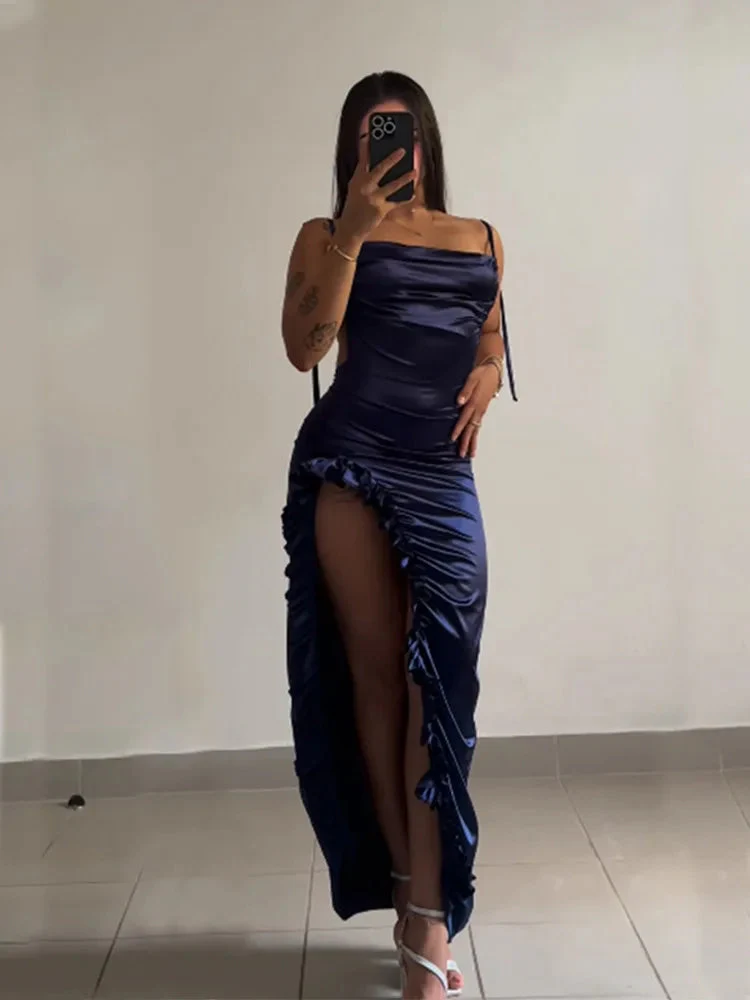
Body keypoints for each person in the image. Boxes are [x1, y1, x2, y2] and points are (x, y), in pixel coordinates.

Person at [281, 71, 516, 1000]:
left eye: (403, 133)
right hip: (352, 462)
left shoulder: (481, 237)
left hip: (441, 472)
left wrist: (490, 371)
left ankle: (427, 900)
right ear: (352, 149)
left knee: (441, 685)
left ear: (427, 143)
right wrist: (351, 231)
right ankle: (417, 909)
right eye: (373, 135)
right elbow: (305, 347)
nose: (391, 150)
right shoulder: (325, 234)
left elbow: (488, 335)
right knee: (377, 683)